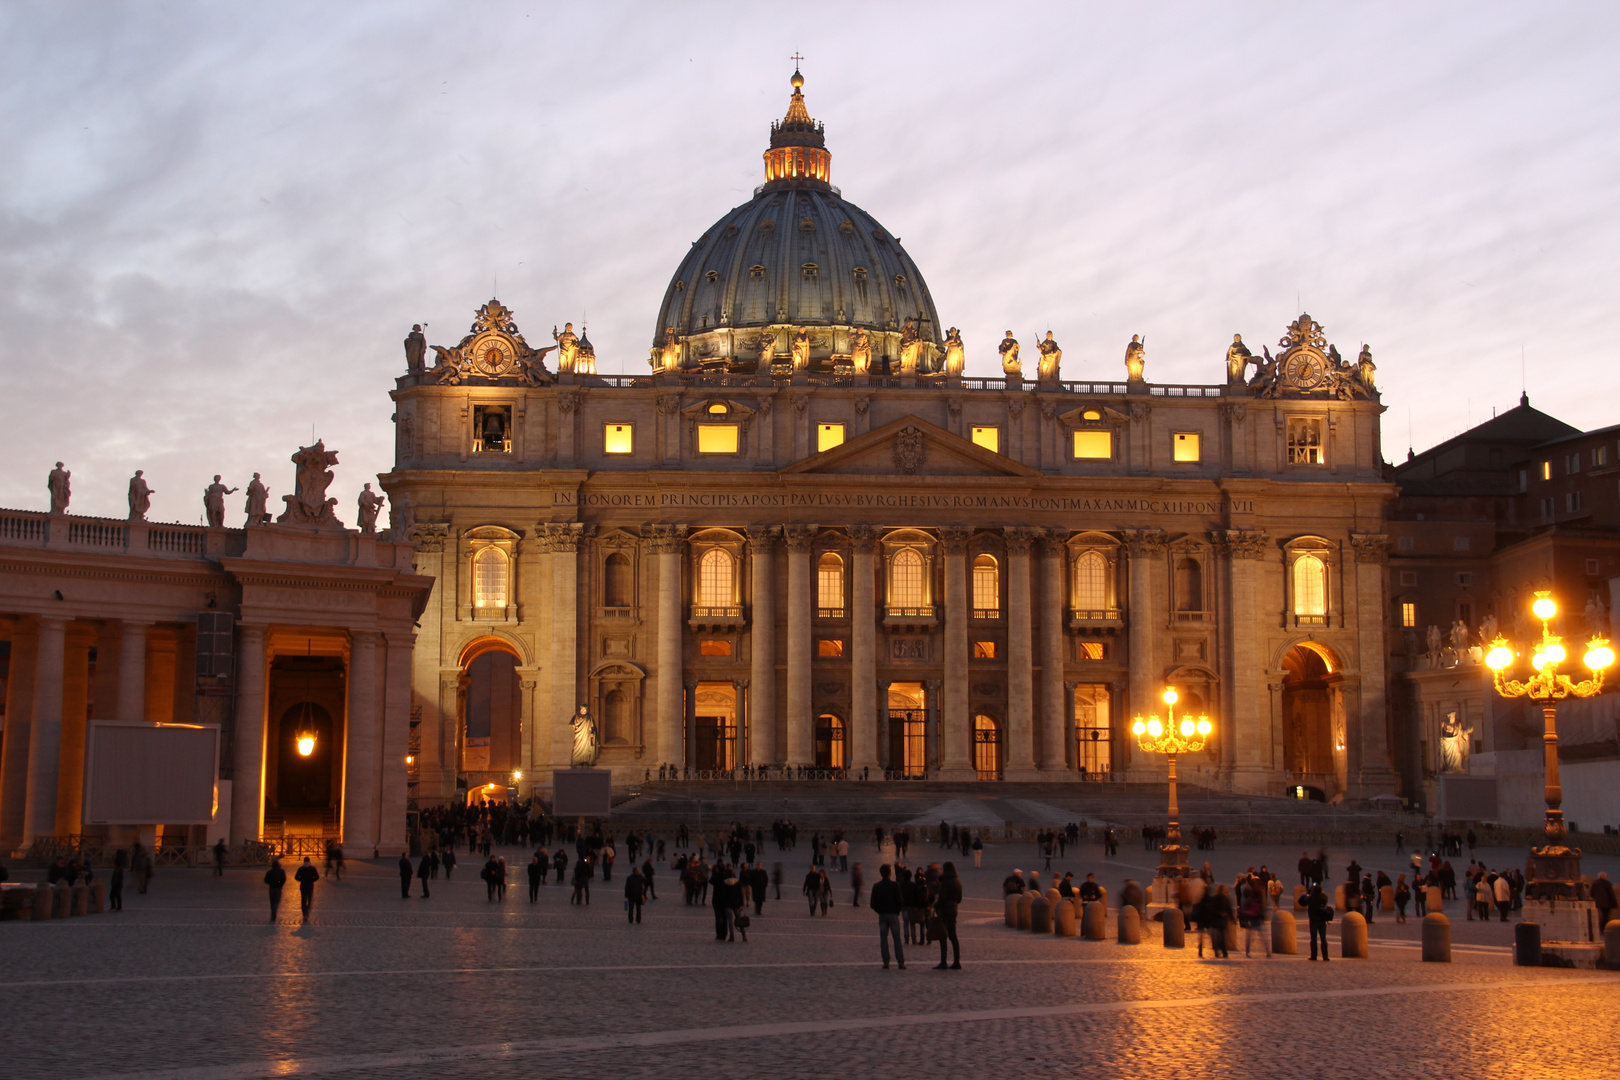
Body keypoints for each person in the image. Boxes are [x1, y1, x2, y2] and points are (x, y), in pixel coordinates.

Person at [869, 863, 906, 969]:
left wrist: (879, 910)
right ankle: (901, 962)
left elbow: (872, 904)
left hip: (882, 915)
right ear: (890, 873)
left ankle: (886, 962)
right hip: (893, 914)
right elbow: (900, 901)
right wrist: (897, 910)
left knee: (883, 939)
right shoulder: (895, 885)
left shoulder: (877, 886)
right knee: (897, 939)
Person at [934, 861, 963, 970]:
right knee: (953, 936)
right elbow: (959, 899)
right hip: (954, 909)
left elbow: (942, 898)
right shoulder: (958, 881)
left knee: (943, 936)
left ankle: (943, 961)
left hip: (945, 910)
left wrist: (936, 906)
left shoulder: (945, 882)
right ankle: (956, 961)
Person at [1306, 882, 1332, 961]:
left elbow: (1303, 900)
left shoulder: (1310, 898)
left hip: (1313, 920)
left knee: (1313, 939)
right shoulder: (1323, 898)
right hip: (1322, 920)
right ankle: (1325, 956)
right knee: (1323, 938)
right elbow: (1326, 899)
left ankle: (1314, 956)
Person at [294, 857, 319, 922]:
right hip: (310, 886)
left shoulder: (301, 869)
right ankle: (307, 912)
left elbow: (296, 877)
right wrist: (312, 880)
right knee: (309, 900)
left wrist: (301, 880)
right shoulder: (312, 868)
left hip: (303, 886)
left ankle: (304, 913)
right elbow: (317, 877)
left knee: (303, 900)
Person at [264, 858, 287, 923]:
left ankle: (273, 913)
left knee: (272, 901)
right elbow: (284, 879)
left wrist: (271, 883)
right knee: (276, 901)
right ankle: (274, 911)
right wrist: (280, 884)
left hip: (272, 888)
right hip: (278, 888)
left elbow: (265, 880)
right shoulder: (282, 871)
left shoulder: (269, 872)